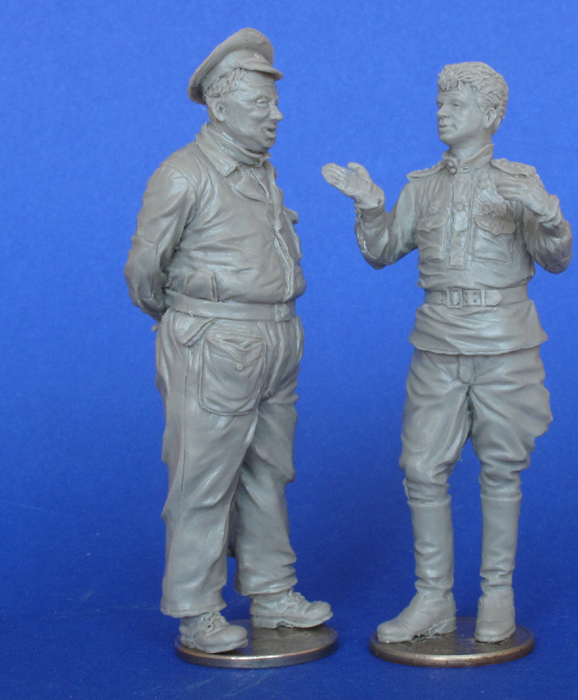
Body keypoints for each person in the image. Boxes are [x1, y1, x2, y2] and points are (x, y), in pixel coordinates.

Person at [323, 61, 571, 644]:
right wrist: (369, 205)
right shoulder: (422, 186)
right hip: (437, 340)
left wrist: (548, 211)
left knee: (502, 468)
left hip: (505, 341)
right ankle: (433, 597)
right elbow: (383, 251)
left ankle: (497, 596)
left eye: (457, 104)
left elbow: (556, 260)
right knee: (420, 466)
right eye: (440, 103)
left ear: (491, 115)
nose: (443, 112)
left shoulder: (519, 182)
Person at [125, 28, 331, 654]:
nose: (277, 115)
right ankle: (196, 608)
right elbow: (143, 272)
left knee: (269, 472)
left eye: (275, 102)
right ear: (219, 106)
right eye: (261, 103)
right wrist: (195, 319)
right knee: (203, 477)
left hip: (276, 338)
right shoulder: (183, 174)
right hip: (217, 342)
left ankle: (272, 590)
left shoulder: (261, 171)